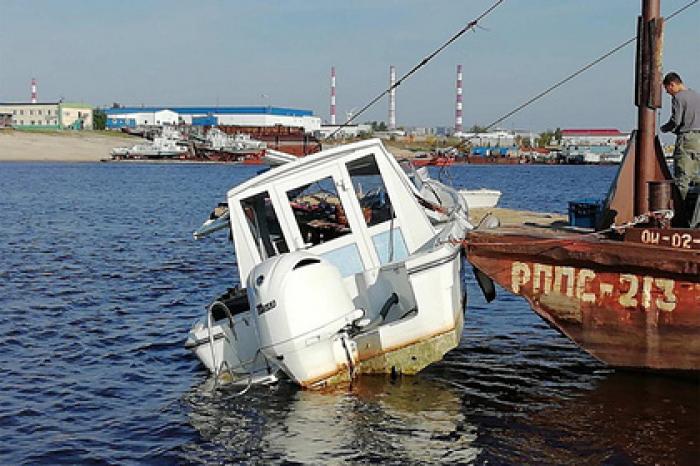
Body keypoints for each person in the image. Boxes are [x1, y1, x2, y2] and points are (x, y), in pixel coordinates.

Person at [660, 72, 700, 218]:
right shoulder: (696, 95)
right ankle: (694, 213)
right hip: (699, 140)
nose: (667, 93)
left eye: (667, 89)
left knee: (682, 179)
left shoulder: (678, 97)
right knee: (695, 177)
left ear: (673, 84)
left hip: (686, 139)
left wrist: (665, 128)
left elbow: (675, 121)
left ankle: (679, 214)